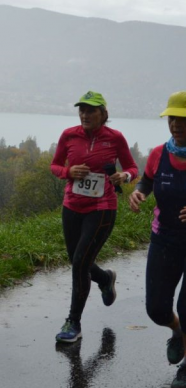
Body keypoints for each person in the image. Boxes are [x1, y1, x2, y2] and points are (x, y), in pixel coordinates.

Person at [50, 91, 138, 343]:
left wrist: (125, 176)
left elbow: (132, 168)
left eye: (91, 110)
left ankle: (73, 323)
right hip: (72, 206)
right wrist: (68, 171)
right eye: (82, 110)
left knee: (80, 262)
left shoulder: (115, 138)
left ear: (103, 114)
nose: (85, 115)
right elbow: (55, 165)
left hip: (102, 208)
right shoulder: (69, 135)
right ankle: (105, 278)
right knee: (78, 262)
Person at [129, 90, 186, 388]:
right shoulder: (158, 153)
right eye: (172, 118)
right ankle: (178, 332)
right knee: (156, 309)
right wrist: (140, 191)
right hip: (164, 238)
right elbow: (148, 178)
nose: (176, 124)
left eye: (183, 119)